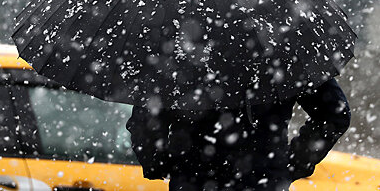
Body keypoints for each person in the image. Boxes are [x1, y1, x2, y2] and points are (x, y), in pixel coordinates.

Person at [126, 78, 351, 191]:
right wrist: (289, 165)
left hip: (194, 180)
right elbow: (334, 114)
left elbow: (145, 122)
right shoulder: (283, 40)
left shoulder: (181, 41)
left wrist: (161, 164)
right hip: (261, 181)